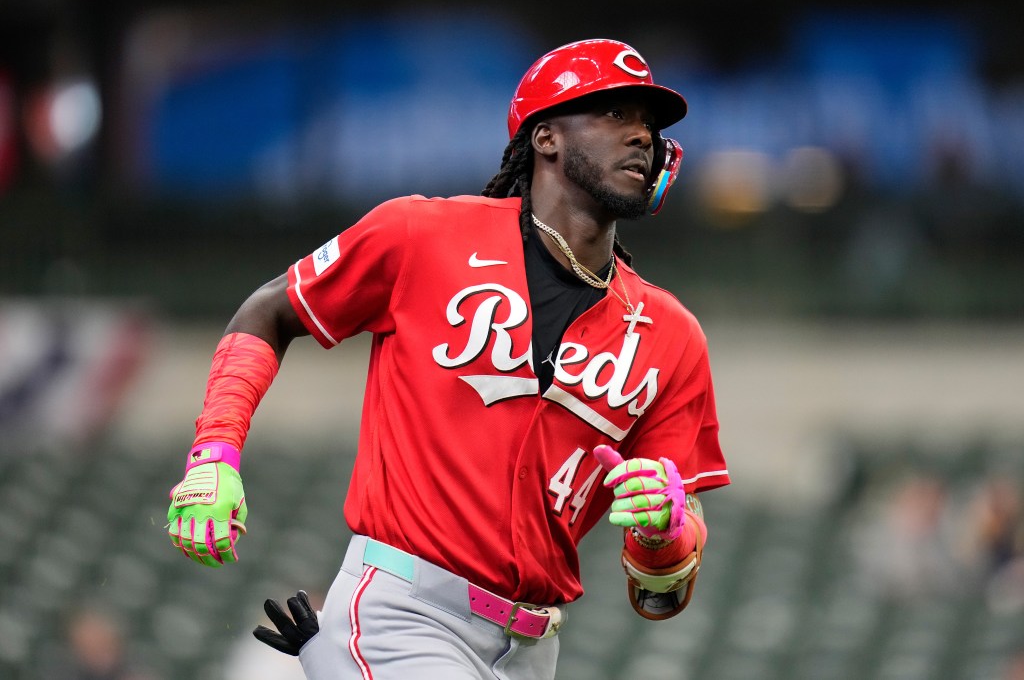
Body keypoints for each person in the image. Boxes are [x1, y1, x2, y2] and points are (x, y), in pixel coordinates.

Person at [166, 38, 730, 679]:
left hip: (534, 649)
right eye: (614, 114)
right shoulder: (421, 234)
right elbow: (271, 309)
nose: (641, 136)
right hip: (410, 613)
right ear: (546, 138)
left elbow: (661, 596)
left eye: (649, 124)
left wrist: (667, 534)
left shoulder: (672, 334)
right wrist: (216, 451)